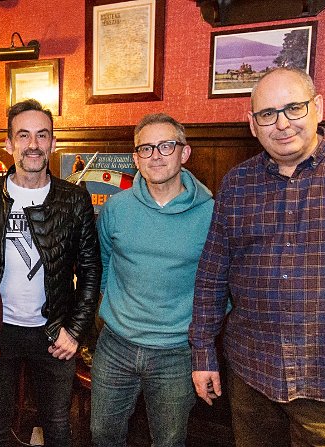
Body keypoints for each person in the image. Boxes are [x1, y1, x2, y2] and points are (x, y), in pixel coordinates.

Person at [190, 67, 325, 447]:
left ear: (318, 108)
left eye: (293, 108)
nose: (281, 124)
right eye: (267, 114)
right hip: (250, 374)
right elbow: (212, 275)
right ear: (252, 124)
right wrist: (203, 353)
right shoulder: (236, 183)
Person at [0, 99, 101, 447]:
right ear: (8, 143)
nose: (33, 144)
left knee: (58, 426)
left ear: (52, 142)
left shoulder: (74, 199)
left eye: (42, 135)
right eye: (23, 135)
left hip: (54, 333)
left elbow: (92, 271)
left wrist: (75, 331)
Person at [91, 113, 213, 447]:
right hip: (115, 344)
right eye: (146, 148)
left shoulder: (211, 212)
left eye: (166, 145)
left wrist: (202, 335)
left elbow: (220, 283)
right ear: (135, 158)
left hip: (176, 351)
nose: (155, 155)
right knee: (103, 434)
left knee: (169, 440)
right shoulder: (116, 208)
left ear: (183, 153)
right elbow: (103, 262)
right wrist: (107, 309)